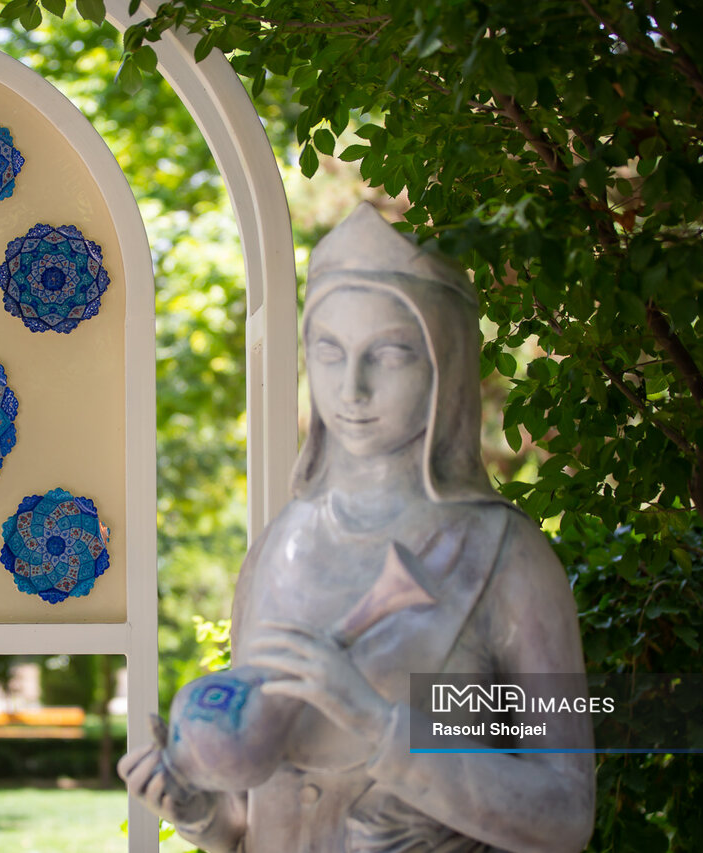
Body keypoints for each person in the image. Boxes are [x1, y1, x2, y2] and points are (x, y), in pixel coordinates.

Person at [120, 203, 595, 852]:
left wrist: (376, 726)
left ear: (445, 363)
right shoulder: (280, 547)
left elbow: (565, 813)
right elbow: (249, 815)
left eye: (389, 354)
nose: (351, 388)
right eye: (329, 352)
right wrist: (202, 813)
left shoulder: (505, 558)